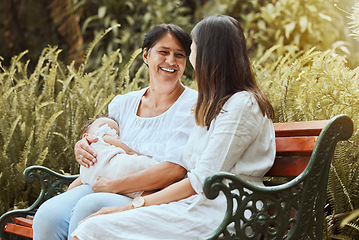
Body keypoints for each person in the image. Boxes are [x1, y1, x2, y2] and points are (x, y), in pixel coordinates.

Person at [71, 15, 276, 240]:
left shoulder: (242, 105)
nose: (189, 57)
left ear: (209, 54)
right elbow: (190, 170)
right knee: (91, 228)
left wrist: (130, 207)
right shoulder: (214, 105)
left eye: (191, 49)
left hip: (226, 212)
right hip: (196, 204)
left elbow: (202, 179)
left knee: (93, 229)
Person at [32, 23, 197, 240]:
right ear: (146, 55)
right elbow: (101, 136)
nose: (171, 61)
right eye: (163, 52)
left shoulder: (193, 105)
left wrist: (113, 184)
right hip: (106, 184)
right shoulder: (124, 103)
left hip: (154, 195)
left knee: (90, 208)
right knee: (47, 216)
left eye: (179, 55)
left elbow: (175, 171)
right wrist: (85, 144)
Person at [68, 116, 159, 199]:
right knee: (146, 167)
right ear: (86, 136)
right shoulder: (101, 137)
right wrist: (140, 156)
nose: (112, 132)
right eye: (105, 127)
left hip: (106, 179)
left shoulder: (84, 168)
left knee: (139, 192)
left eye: (116, 131)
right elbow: (129, 151)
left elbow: (73, 186)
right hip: (122, 171)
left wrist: (68, 192)